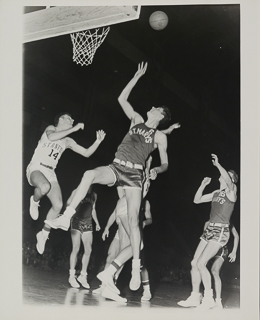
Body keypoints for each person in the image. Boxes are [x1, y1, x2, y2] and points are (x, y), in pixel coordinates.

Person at [45, 62, 180, 290]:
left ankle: (136, 269)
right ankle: (67, 216)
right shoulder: (136, 120)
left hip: (134, 176)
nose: (152, 107)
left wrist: (157, 169)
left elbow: (165, 163)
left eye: (157, 108)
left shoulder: (159, 137)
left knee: (134, 222)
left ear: (161, 115)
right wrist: (136, 77)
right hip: (116, 166)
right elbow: (121, 99)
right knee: (88, 174)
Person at [26, 112, 106, 254]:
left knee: (58, 205)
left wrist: (98, 141)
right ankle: (34, 200)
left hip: (50, 172)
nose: (73, 120)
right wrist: (74, 128)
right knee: (44, 187)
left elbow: (86, 153)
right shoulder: (51, 128)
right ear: (61, 119)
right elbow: (51, 137)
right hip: (37, 167)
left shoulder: (68, 141)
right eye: (70, 118)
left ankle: (44, 234)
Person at [177, 154, 238, 310]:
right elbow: (196, 200)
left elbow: (229, 180)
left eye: (228, 177)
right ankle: (195, 297)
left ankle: (209, 298)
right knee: (194, 263)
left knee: (201, 263)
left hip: (220, 231)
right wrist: (203, 185)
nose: (224, 177)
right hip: (209, 229)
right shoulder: (215, 194)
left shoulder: (232, 192)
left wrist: (218, 165)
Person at [93, 180, 153, 302]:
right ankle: (107, 284)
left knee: (137, 259)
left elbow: (150, 219)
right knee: (116, 256)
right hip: (121, 225)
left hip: (130, 226)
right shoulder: (130, 187)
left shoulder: (144, 202)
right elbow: (114, 213)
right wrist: (107, 228)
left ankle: (146, 290)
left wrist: (144, 222)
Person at [178, 220, 239, 309]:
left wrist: (234, 252)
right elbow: (205, 239)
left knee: (214, 271)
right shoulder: (208, 223)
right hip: (210, 247)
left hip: (221, 249)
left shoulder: (227, 222)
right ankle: (198, 295)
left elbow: (236, 236)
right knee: (198, 264)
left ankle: (218, 301)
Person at [67, 185, 101, 289]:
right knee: (76, 248)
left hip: (88, 222)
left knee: (88, 250)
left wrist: (97, 223)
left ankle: (83, 275)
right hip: (76, 220)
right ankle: (72, 276)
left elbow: (93, 209)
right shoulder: (77, 191)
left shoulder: (94, 195)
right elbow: (68, 203)